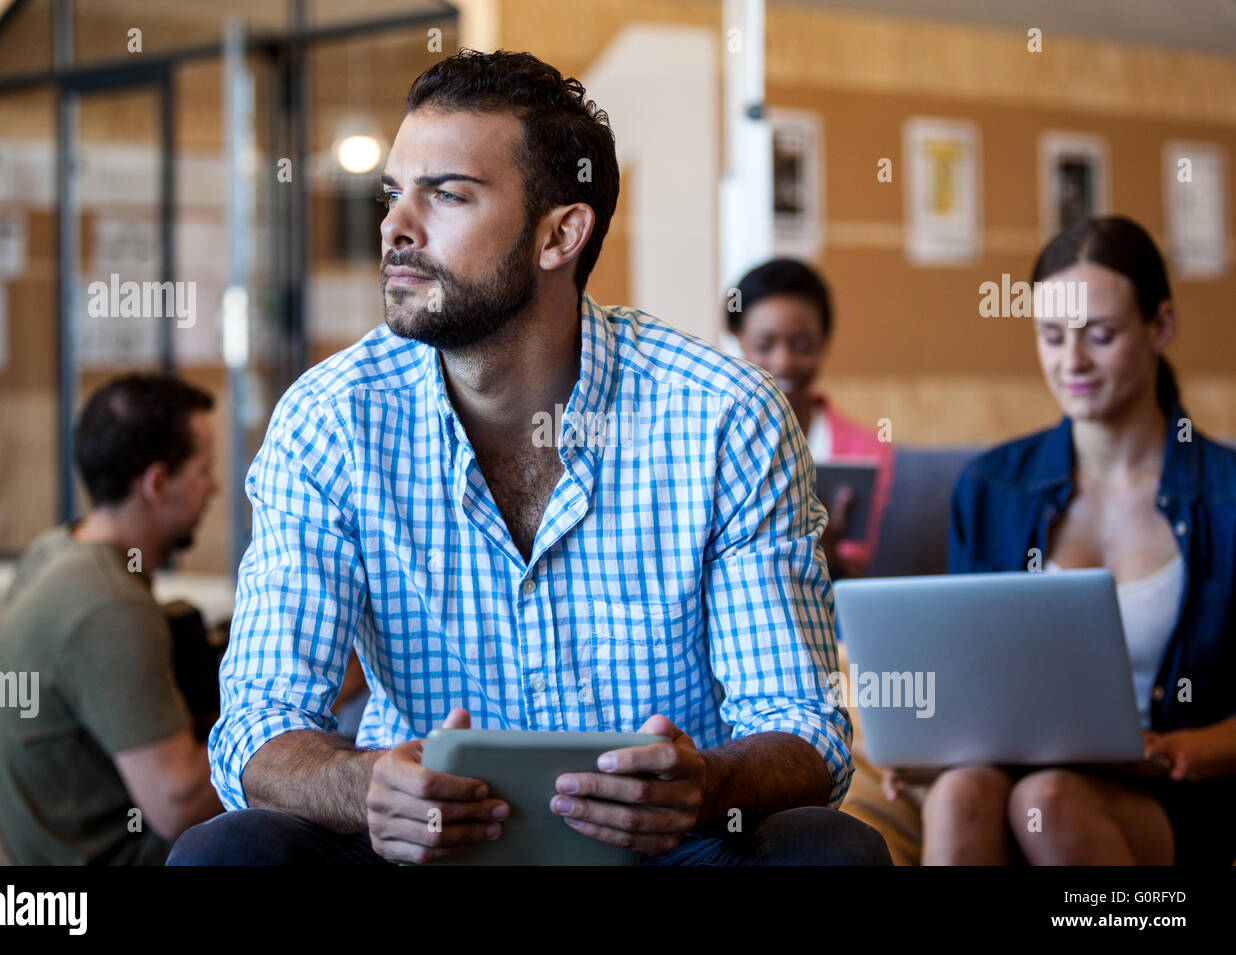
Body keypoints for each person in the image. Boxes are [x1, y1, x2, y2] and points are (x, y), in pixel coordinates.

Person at [170, 49, 890, 866]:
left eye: (446, 194)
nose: (395, 227)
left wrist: (705, 785)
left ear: (560, 234)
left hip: (663, 851)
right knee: (228, 851)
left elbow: (804, 726)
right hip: (424, 852)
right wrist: (367, 786)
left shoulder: (724, 414)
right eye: (393, 193)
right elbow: (255, 729)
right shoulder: (329, 422)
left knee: (828, 848)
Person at [882, 216, 1236, 865]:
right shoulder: (991, 486)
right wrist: (929, 735)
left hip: (1175, 789)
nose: (1071, 361)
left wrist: (1182, 748)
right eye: (1051, 336)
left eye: (1099, 336)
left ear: (1161, 325)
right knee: (960, 793)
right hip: (1010, 771)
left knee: (1050, 799)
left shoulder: (1228, 494)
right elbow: (966, 664)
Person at [0, 374, 225, 864]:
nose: (215, 487)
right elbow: (182, 806)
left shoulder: (56, 551)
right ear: (157, 483)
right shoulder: (110, 608)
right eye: (204, 471)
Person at [728, 259, 894, 578]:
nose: (783, 361)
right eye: (765, 345)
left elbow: (853, 576)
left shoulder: (867, 450)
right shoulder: (717, 440)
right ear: (739, 340)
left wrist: (827, 549)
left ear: (824, 342)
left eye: (802, 345)